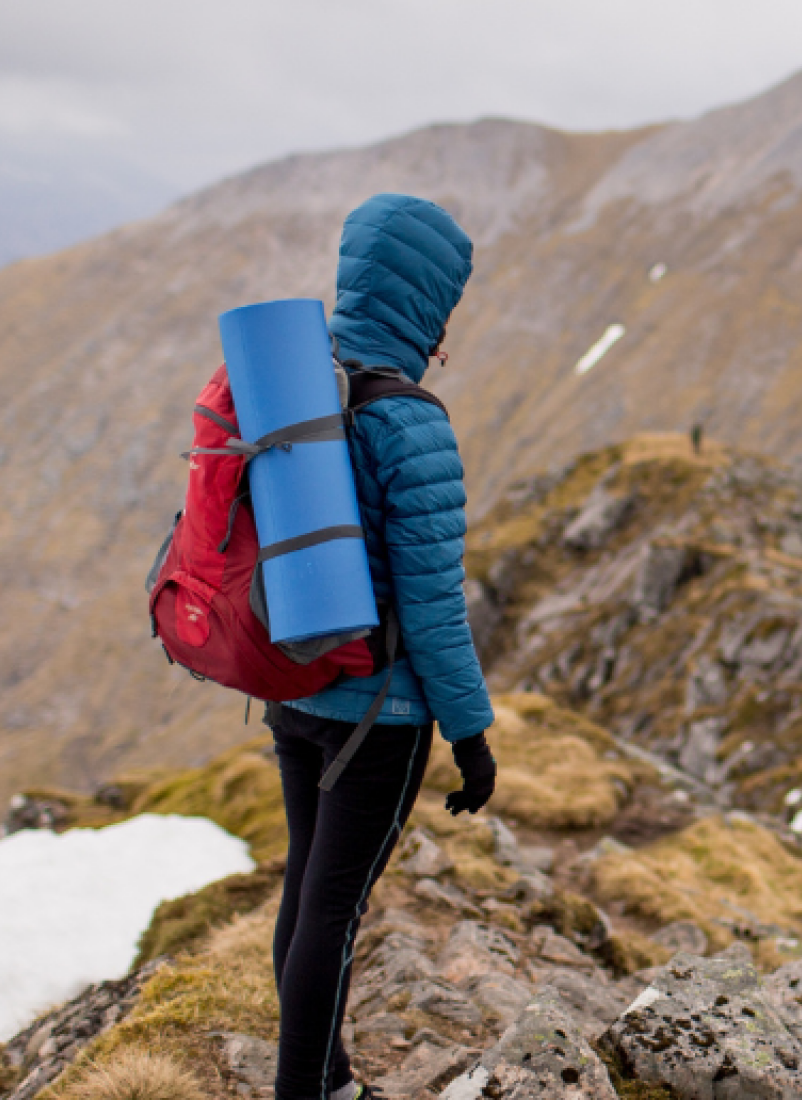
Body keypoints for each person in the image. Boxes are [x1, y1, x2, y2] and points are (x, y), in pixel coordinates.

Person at [266, 193, 497, 1100]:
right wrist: (470, 736)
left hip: (293, 688)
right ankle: (307, 1092)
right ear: (426, 303)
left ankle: (327, 1075)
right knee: (336, 907)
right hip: (380, 712)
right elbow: (436, 608)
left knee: (305, 893)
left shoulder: (295, 392)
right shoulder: (410, 424)